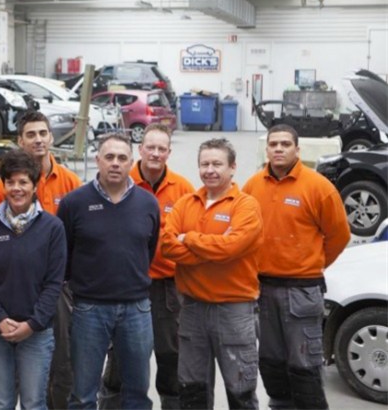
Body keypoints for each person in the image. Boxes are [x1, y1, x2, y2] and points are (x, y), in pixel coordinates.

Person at [243, 124, 350, 409]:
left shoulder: (318, 187)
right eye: (273, 144)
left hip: (302, 293)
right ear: (267, 149)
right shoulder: (252, 186)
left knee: (304, 365)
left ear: (297, 149)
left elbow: (339, 235)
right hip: (262, 290)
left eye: (285, 144)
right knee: (271, 362)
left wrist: (312, 263)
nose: (279, 149)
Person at [57, 133, 159, 409]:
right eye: (109, 157)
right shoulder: (73, 203)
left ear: (131, 163)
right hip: (89, 309)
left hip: (137, 309)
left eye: (122, 158)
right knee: (82, 395)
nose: (115, 163)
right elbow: (64, 254)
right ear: (97, 160)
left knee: (137, 393)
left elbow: (148, 250)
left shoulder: (148, 203)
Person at [161, 138, 263, 410]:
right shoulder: (185, 203)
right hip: (192, 308)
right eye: (204, 164)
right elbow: (167, 246)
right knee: (192, 389)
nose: (210, 170)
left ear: (232, 167)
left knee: (240, 390)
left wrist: (190, 238)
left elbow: (232, 247)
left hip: (234, 310)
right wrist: (215, 249)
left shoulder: (246, 206)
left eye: (217, 164)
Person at [0, 110, 81, 409]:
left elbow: (78, 235)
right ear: (20, 140)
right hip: (12, 286)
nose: (38, 139)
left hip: (57, 286)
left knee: (60, 362)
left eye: (43, 133)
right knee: (10, 377)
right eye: (31, 134)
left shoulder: (69, 182)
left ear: (51, 137)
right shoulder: (1, 189)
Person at [99, 124, 194, 410]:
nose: (155, 153)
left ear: (169, 152)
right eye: (150, 147)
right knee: (120, 357)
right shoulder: (121, 181)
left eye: (161, 149)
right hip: (125, 285)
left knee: (171, 356)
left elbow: (190, 236)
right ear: (140, 150)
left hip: (167, 288)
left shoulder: (183, 189)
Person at [0, 149, 67, 410]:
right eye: (11, 182)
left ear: (35, 185)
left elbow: (54, 283)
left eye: (23, 182)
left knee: (34, 403)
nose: (17, 188)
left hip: (36, 333)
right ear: (3, 185)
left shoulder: (53, 228)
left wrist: (32, 323)